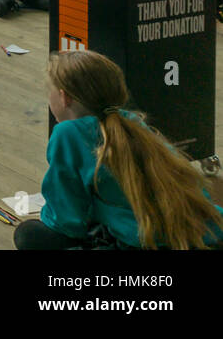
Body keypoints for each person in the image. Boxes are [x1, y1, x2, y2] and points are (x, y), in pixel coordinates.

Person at [15, 50, 223, 249]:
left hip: (145, 241)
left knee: (28, 234)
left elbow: (66, 220)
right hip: (207, 231)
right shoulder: (130, 121)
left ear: (64, 97)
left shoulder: (68, 134)